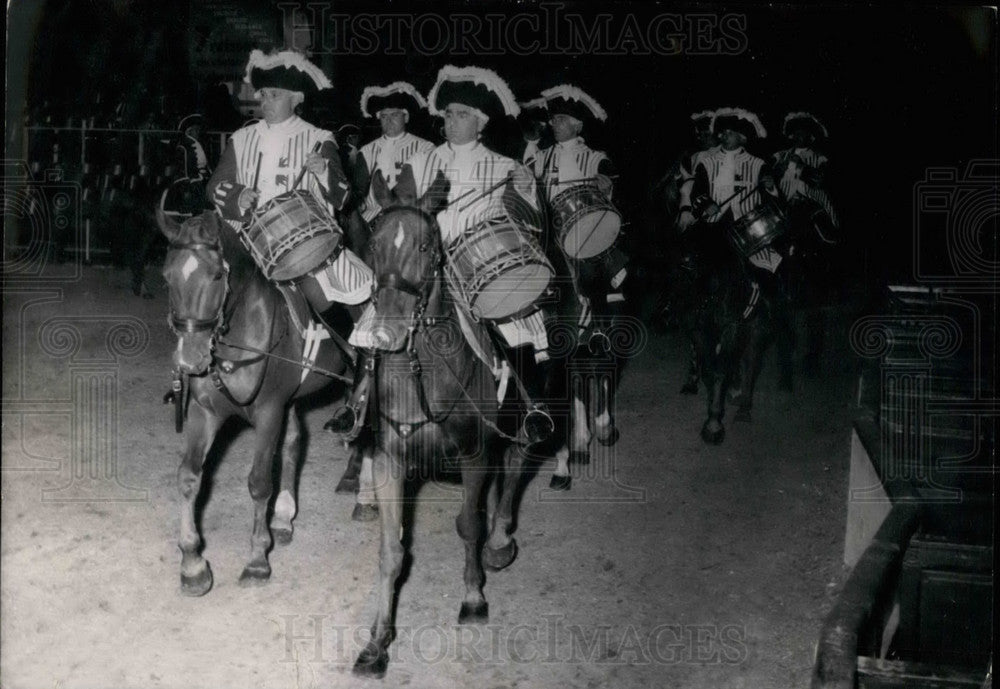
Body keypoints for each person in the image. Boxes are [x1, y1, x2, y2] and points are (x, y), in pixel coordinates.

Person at [326, 64, 553, 443]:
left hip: (479, 266)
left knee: (516, 325)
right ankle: (357, 404)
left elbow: (531, 226)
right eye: (448, 114)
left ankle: (532, 407)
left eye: (462, 114)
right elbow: (399, 210)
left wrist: (529, 190)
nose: (451, 121)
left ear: (480, 123)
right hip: (422, 267)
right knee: (373, 321)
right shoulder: (421, 161)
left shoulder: (504, 166)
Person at [207, 49, 373, 314]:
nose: (265, 102)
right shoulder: (241, 138)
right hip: (245, 237)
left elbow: (342, 198)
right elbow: (215, 186)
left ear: (297, 99)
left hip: (302, 242)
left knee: (329, 294)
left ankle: (347, 348)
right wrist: (237, 196)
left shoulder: (319, 138)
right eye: (262, 95)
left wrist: (322, 172)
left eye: (275, 95)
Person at [533, 84, 628, 328]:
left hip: (584, 231)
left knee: (593, 275)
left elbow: (611, 184)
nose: (554, 123)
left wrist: (606, 185)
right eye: (553, 119)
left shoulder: (596, 157)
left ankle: (600, 328)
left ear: (577, 125)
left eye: (561, 119)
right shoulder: (541, 156)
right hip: (548, 231)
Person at [354, 81, 435, 224]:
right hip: (372, 221)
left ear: (406, 117)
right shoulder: (366, 151)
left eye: (395, 115)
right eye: (384, 116)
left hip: (410, 220)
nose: (389, 121)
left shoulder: (425, 148)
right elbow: (358, 193)